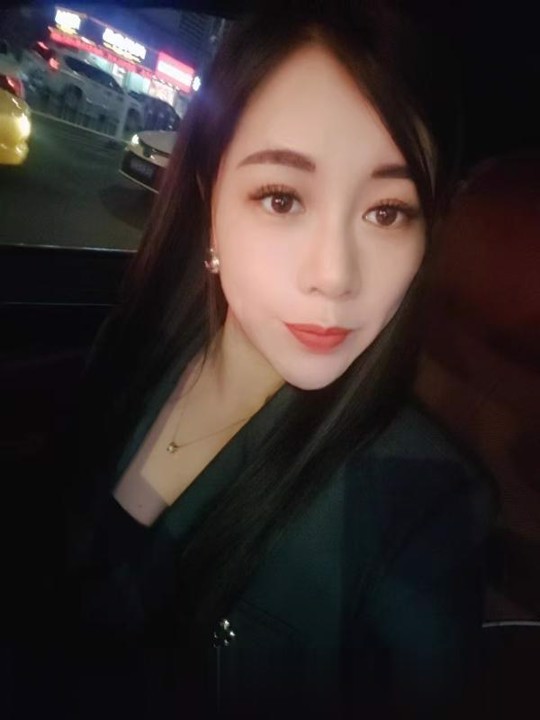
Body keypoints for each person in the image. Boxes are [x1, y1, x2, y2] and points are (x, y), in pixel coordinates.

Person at [15, 1, 495, 718]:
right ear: (210, 199)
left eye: (388, 212)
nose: (335, 276)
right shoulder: (131, 350)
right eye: (281, 198)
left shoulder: (419, 508)